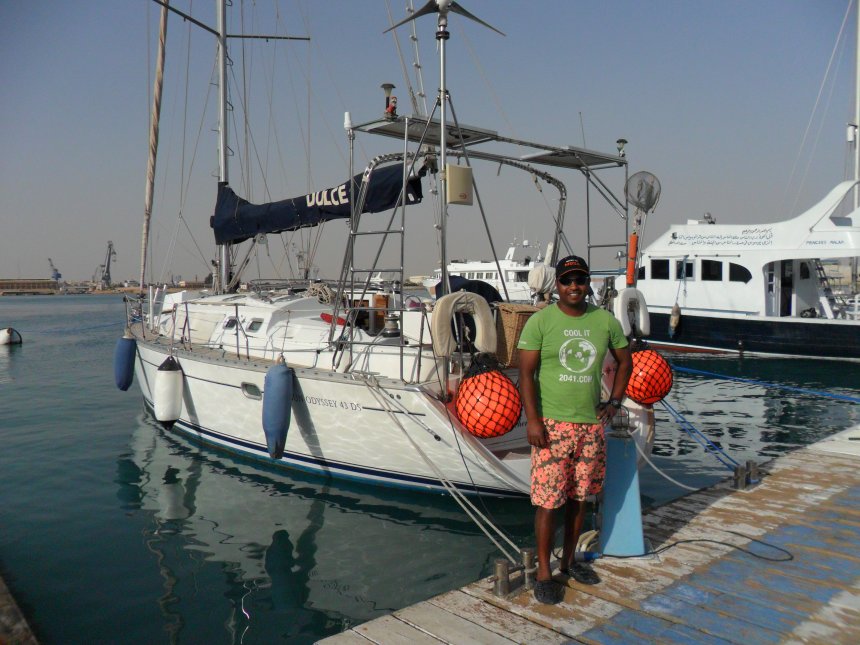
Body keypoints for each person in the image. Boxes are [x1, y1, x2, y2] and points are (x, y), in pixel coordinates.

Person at [517, 254, 632, 605]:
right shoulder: (540, 322)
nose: (574, 286)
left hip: (590, 427)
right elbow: (525, 375)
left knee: (581, 498)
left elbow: (625, 361)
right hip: (552, 425)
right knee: (549, 502)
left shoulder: (605, 321)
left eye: (580, 280)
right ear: (557, 286)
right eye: (567, 280)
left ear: (588, 284)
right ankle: (542, 572)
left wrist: (613, 402)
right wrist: (533, 421)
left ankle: (568, 563)